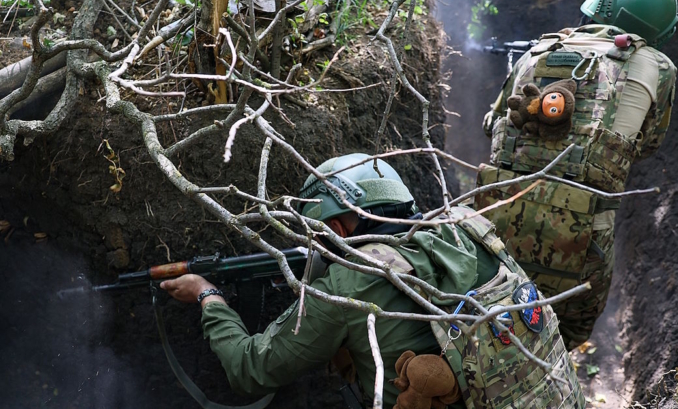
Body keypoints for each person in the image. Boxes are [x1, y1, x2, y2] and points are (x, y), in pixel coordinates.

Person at [161, 153, 584, 408]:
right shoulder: (468, 227)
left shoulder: (349, 287)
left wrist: (207, 295)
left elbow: (251, 369)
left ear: (340, 228)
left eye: (323, 234)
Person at [475, 0, 678, 351]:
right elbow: (647, 144)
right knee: (563, 336)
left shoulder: (537, 50)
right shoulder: (658, 66)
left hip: (496, 224)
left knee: (489, 322)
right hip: (582, 239)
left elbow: (494, 126)